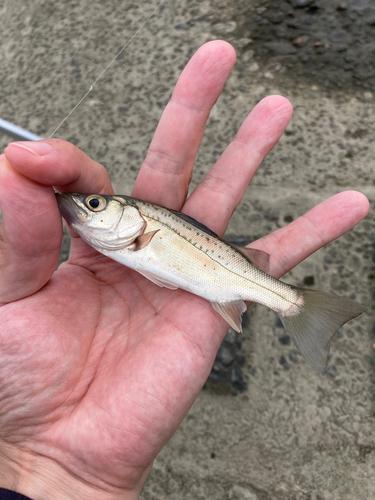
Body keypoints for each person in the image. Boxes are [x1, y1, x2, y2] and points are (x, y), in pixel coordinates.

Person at [0, 41, 369, 500]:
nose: (85, 208)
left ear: (134, 223)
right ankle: (289, 301)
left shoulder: (137, 234)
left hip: (221, 279)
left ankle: (293, 304)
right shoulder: (125, 239)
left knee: (277, 292)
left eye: (94, 205)